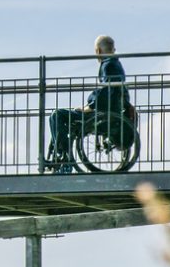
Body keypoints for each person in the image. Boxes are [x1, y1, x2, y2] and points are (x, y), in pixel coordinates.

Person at [44, 35, 130, 174]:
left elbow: (107, 92)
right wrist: (127, 104)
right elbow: (117, 91)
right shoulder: (116, 64)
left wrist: (89, 107)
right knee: (63, 116)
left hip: (100, 113)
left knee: (56, 115)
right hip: (109, 111)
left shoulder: (108, 65)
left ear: (98, 50)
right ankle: (60, 154)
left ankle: (63, 157)